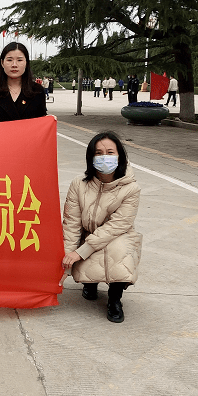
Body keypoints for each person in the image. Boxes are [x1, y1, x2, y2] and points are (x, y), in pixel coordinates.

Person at [59, 131, 142, 323]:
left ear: (119, 156)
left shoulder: (131, 188)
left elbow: (117, 225)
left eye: (110, 152)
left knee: (120, 250)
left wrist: (81, 253)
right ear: (90, 157)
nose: (105, 157)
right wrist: (66, 261)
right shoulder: (78, 184)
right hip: (88, 232)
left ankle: (115, 298)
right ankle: (91, 282)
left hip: (117, 235)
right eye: (98, 153)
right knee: (82, 247)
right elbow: (71, 223)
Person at [0, 42, 46, 123]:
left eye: (19, 60)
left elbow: (41, 124)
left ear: (26, 63)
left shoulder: (37, 91)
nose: (14, 65)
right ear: (2, 63)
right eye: (9, 60)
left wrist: (49, 120)